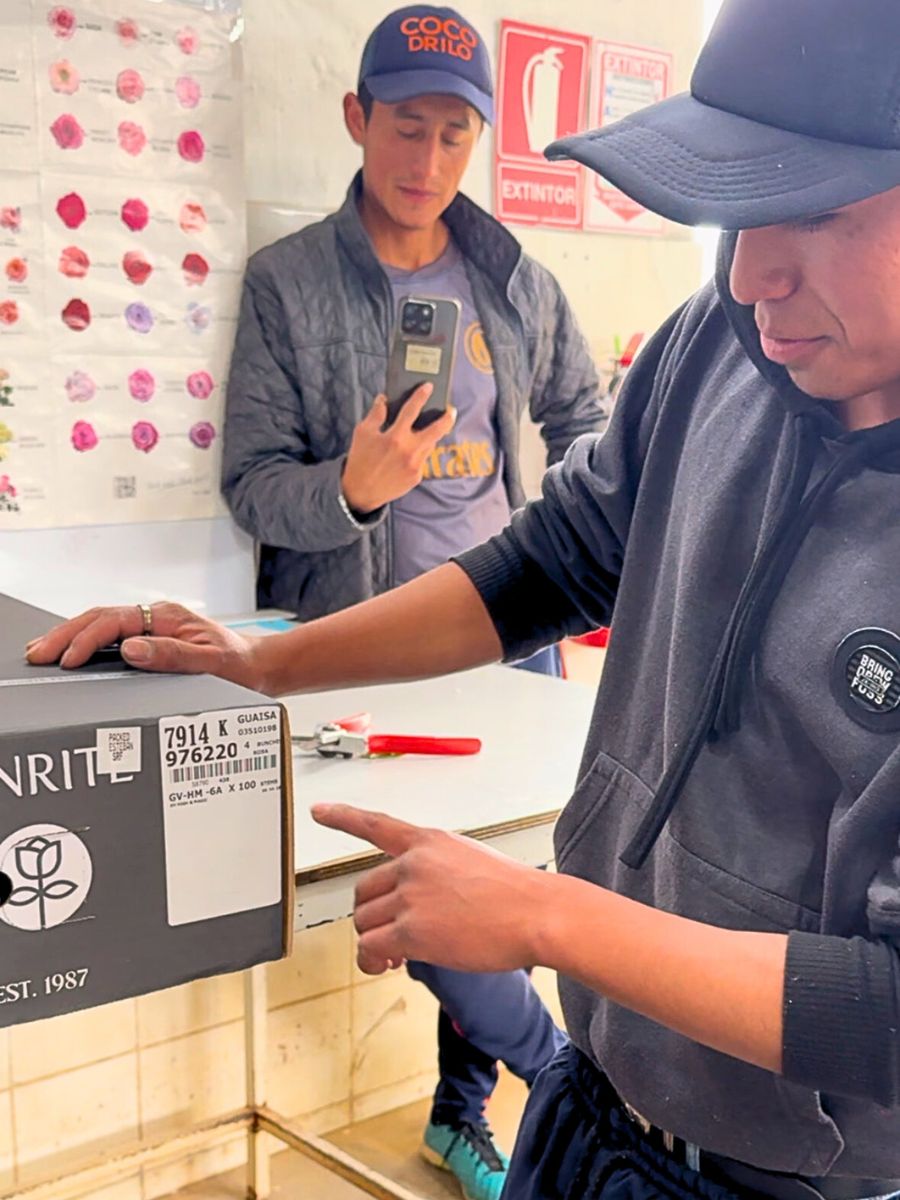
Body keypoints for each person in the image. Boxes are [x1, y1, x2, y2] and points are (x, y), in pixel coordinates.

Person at [28, 0, 900, 1196]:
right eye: (734, 212)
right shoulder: (718, 343)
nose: (753, 273)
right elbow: (552, 556)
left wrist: (547, 918)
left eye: (812, 208)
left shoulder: (528, 285)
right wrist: (262, 659)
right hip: (594, 1104)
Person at [220, 6, 604, 1195]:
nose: (426, 163)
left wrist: (583, 548)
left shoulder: (515, 279)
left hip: (510, 639)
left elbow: (589, 423)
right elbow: (249, 486)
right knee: (411, 885)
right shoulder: (286, 285)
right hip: (367, 651)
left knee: (502, 879)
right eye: (404, 129)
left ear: (478, 141)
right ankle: (557, 1079)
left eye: (453, 135)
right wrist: (352, 490)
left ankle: (457, 1114)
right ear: (357, 120)